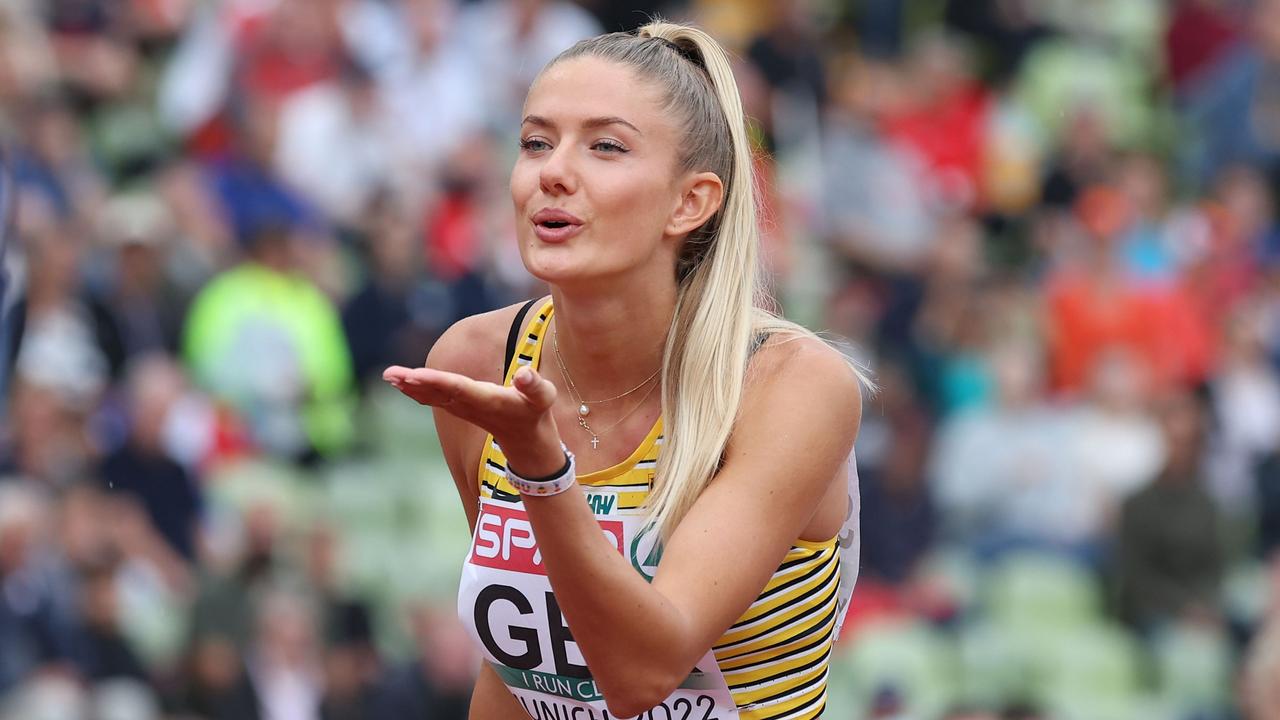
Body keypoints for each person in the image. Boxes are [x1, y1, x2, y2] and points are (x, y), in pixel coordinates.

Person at [383, 21, 865, 719]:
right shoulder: (477, 360)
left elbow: (641, 673)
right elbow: (522, 678)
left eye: (605, 146)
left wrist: (540, 469)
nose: (552, 171)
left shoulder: (788, 384)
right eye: (536, 142)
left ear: (690, 201)